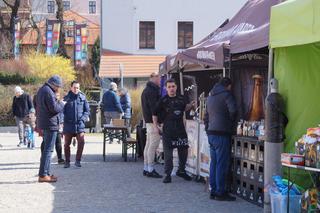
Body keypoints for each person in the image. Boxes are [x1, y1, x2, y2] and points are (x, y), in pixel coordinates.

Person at [153, 78, 196, 183]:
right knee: (168, 155)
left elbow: (184, 108)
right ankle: (167, 174)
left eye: (173, 86)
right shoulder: (163, 100)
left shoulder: (182, 98)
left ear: (176, 87)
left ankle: (181, 171)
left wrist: (191, 105)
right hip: (168, 130)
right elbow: (154, 114)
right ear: (166, 88)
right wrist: (155, 126)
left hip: (180, 129)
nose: (171, 89)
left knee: (184, 151)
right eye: (169, 87)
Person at [204, 77, 237, 201]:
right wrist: (230, 124)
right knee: (222, 164)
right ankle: (220, 192)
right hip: (222, 133)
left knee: (214, 162)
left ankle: (213, 190)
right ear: (228, 86)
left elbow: (206, 116)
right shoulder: (226, 95)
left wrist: (207, 130)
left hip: (211, 133)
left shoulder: (210, 96)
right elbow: (233, 111)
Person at [37, 75, 65, 183]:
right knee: (48, 150)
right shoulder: (48, 91)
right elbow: (54, 109)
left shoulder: (42, 90)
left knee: (47, 150)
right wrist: (61, 103)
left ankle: (46, 173)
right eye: (58, 86)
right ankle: (43, 175)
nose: (58, 88)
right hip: (50, 124)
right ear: (53, 84)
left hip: (46, 123)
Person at [63, 81, 90, 168]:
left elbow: (87, 111)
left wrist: (83, 119)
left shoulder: (83, 97)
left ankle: (78, 161)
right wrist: (63, 120)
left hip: (79, 125)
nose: (76, 89)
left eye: (77, 88)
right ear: (71, 88)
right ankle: (67, 162)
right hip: (68, 125)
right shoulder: (66, 98)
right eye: (74, 87)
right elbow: (61, 111)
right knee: (67, 144)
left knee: (81, 142)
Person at [141, 72, 162, 178]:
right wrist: (156, 124)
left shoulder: (146, 90)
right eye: (159, 77)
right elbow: (154, 108)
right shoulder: (152, 91)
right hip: (153, 122)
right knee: (152, 146)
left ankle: (146, 168)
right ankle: (150, 169)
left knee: (148, 145)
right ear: (153, 78)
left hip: (149, 122)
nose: (160, 79)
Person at [34, 93, 65, 164]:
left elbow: (63, 114)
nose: (57, 97)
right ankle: (43, 157)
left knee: (58, 141)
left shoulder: (60, 103)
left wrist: (62, 122)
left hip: (58, 124)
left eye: (58, 96)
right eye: (55, 96)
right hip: (49, 125)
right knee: (45, 141)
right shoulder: (48, 103)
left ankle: (60, 158)